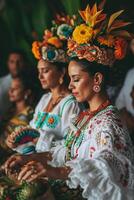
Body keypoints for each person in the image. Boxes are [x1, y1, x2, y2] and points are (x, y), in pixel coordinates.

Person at [2, 3, 134, 200]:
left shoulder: (108, 121)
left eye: (76, 79)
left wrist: (55, 172)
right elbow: (66, 152)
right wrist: (29, 158)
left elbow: (107, 166)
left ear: (96, 80)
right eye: (71, 79)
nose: (71, 86)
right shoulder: (85, 117)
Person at [5, 15, 82, 155]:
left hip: (52, 168)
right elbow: (29, 134)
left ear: (61, 73)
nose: (40, 76)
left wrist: (39, 140)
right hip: (32, 162)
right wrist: (17, 141)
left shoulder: (70, 104)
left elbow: (71, 146)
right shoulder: (45, 99)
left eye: (45, 71)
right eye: (39, 71)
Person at [0, 73, 34, 163]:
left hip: (11, 159)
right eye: (11, 87)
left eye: (16, 88)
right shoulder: (10, 110)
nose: (11, 90)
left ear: (26, 92)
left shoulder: (30, 115)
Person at [0, 49, 27, 116]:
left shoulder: (32, 82)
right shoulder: (1, 83)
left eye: (19, 61)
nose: (15, 65)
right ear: (7, 63)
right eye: (12, 62)